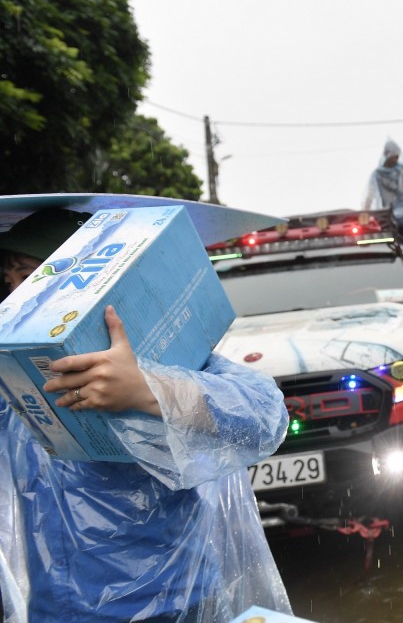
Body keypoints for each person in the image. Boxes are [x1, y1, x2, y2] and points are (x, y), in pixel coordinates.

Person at [0, 208, 292, 623]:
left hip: (173, 604)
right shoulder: (14, 370)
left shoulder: (154, 353)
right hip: (53, 611)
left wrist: (148, 388)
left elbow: (265, 418)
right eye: (7, 281)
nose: (13, 295)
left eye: (27, 275)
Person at [364, 137, 403, 252]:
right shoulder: (378, 174)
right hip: (389, 217)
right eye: (393, 157)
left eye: (397, 157)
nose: (396, 159)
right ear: (387, 155)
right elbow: (370, 193)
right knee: (392, 247)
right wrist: (365, 212)